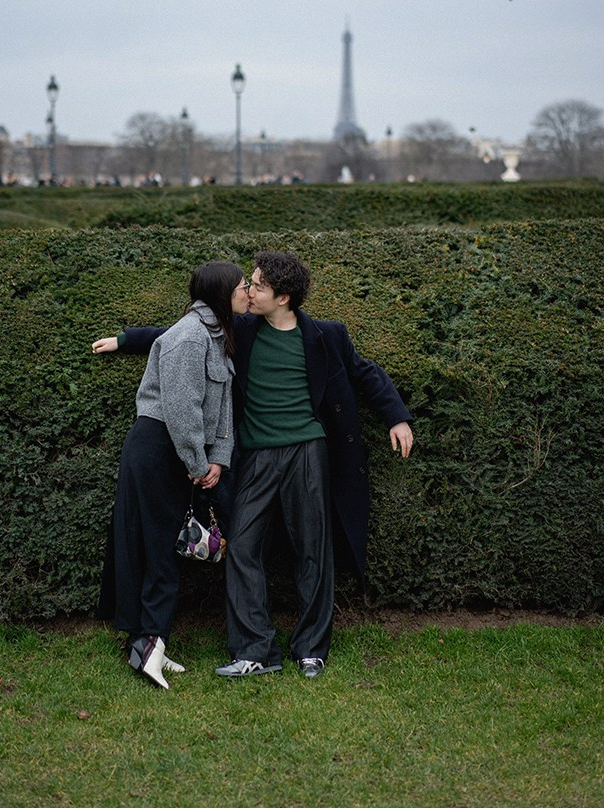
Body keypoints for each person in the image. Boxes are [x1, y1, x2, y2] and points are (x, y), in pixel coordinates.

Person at [93, 251, 413, 680]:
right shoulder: (240, 329)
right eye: (250, 282)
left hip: (307, 451)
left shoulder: (327, 336)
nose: (249, 290)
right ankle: (255, 650)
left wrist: (397, 415)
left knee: (313, 549)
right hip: (257, 455)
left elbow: (365, 373)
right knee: (241, 546)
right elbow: (178, 337)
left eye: (258, 285)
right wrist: (126, 339)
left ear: (283, 298)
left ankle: (311, 650)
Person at [101, 260, 249, 689]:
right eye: (241, 286)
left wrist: (217, 458)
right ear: (223, 293)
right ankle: (149, 646)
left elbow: (220, 411)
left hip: (176, 452)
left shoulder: (216, 334)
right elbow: (182, 411)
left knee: (165, 545)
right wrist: (198, 465)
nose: (247, 293)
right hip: (160, 448)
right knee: (159, 546)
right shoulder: (190, 336)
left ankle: (148, 642)